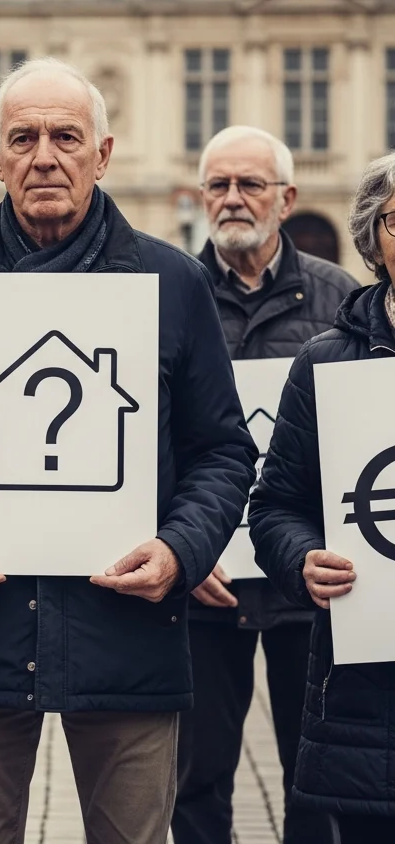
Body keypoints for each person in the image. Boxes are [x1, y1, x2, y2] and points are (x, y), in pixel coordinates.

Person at [0, 57, 257, 844]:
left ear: (102, 154)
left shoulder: (173, 282)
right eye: (25, 137)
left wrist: (181, 550)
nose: (45, 155)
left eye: (66, 136)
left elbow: (222, 450)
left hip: (128, 635)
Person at [173, 126, 357, 844]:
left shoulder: (341, 297)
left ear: (287, 198)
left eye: (249, 184)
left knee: (312, 780)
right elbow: (146, 437)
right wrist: (182, 543)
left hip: (306, 593)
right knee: (197, 779)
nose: (232, 199)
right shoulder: (172, 292)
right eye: (218, 185)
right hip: (204, 581)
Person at [248, 152, 395, 844]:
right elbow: (275, 505)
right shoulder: (328, 362)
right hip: (367, 692)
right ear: (374, 239)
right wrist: (303, 558)